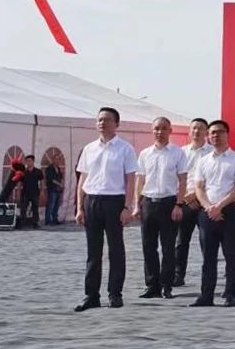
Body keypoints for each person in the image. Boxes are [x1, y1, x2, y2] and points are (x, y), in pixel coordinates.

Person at [74, 107, 138, 311]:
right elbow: (82, 178)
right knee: (93, 251)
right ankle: (91, 295)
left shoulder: (125, 149)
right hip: (91, 200)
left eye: (107, 120)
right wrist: (79, 207)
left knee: (116, 250)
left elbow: (130, 180)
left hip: (114, 202)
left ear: (116, 124)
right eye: (99, 120)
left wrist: (128, 206)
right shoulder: (89, 148)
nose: (102, 123)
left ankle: (114, 293)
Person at [189, 120, 235, 307]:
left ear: (227, 134)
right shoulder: (203, 161)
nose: (215, 136)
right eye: (212, 133)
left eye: (220, 132)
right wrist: (208, 207)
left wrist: (220, 206)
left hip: (229, 211)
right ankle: (206, 295)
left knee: (232, 256)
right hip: (207, 212)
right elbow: (199, 187)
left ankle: (231, 293)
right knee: (208, 257)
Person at [134, 117, 188, 299]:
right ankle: (152, 285)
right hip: (149, 202)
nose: (160, 132)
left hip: (169, 203)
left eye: (164, 128)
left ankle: (167, 285)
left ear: (170, 130)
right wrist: (137, 204)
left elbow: (182, 180)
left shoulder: (177, 153)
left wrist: (179, 204)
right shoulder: (145, 154)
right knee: (148, 247)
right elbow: (140, 179)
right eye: (157, 128)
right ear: (152, 130)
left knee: (168, 248)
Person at [174, 118, 212, 287]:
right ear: (189, 132)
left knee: (207, 241)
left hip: (206, 202)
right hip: (185, 202)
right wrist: (182, 198)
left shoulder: (213, 152)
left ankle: (209, 276)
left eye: (201, 129)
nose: (197, 132)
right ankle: (178, 275)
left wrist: (197, 196)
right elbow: (176, 178)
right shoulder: (181, 152)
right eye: (194, 129)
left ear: (207, 132)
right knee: (181, 241)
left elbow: (216, 180)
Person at [43, 154, 64, 226]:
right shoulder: (49, 168)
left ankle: (55, 219)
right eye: (56, 159)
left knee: (56, 205)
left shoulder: (58, 168)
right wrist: (59, 184)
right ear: (53, 160)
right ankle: (48, 220)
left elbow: (61, 177)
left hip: (58, 189)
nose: (57, 161)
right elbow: (51, 179)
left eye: (58, 159)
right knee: (50, 205)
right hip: (52, 189)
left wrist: (61, 184)